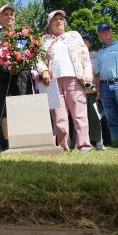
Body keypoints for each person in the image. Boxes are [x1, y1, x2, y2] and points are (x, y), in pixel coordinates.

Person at [36, 10, 93, 152]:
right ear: (50, 23)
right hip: (52, 83)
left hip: (74, 79)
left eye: (61, 18)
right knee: (59, 117)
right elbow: (38, 59)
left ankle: (84, 145)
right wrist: (43, 70)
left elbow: (85, 56)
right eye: (55, 19)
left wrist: (87, 76)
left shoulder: (74, 35)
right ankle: (64, 147)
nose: (59, 21)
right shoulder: (44, 40)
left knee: (79, 114)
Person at [0, 5, 34, 150]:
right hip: (2, 75)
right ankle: (7, 143)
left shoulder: (23, 34)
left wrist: (21, 62)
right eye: (6, 14)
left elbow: (31, 51)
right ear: (0, 18)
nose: (9, 17)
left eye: (11, 14)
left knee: (24, 106)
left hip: (23, 75)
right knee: (5, 110)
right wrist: (5, 63)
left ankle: (25, 140)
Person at [82, 34, 106, 150]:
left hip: (92, 88)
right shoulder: (75, 56)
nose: (84, 43)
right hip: (78, 89)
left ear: (90, 44)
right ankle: (83, 141)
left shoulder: (95, 55)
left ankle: (98, 140)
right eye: (82, 42)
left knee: (95, 116)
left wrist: (97, 90)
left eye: (86, 41)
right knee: (82, 117)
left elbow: (97, 74)